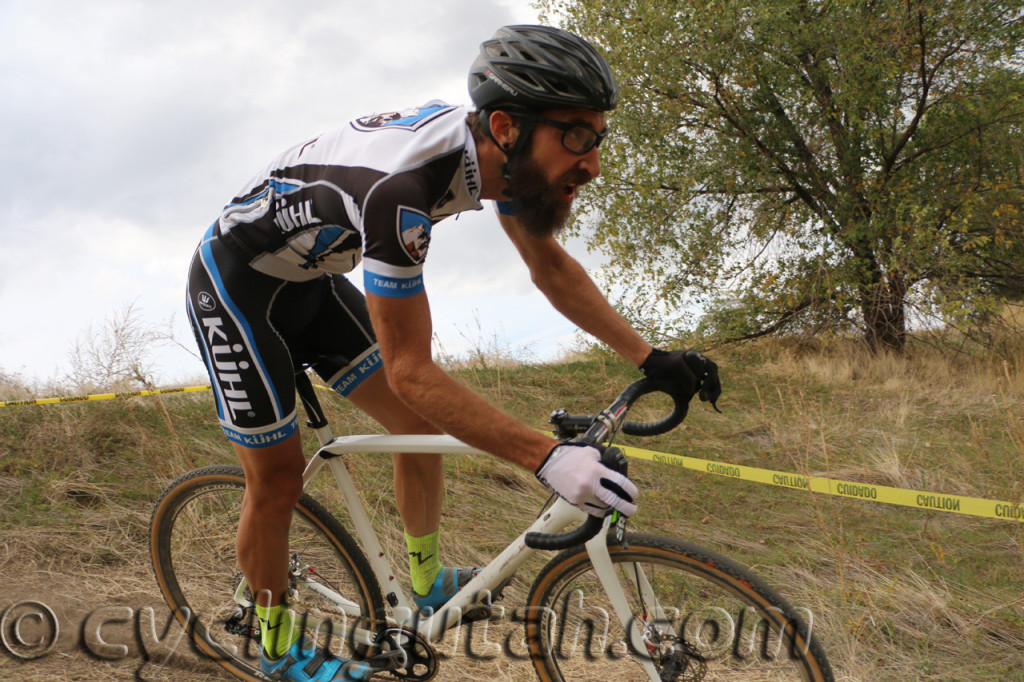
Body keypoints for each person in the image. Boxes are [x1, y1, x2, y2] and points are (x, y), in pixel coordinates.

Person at [186, 24, 720, 682]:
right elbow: (411, 371)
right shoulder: (402, 193)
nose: (593, 163)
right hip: (236, 285)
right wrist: (545, 457)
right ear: (506, 126)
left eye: (598, 136)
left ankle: (429, 580)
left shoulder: (501, 163)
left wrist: (650, 356)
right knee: (276, 484)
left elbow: (549, 269)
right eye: (576, 136)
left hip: (310, 280)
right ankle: (274, 648)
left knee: (419, 430)